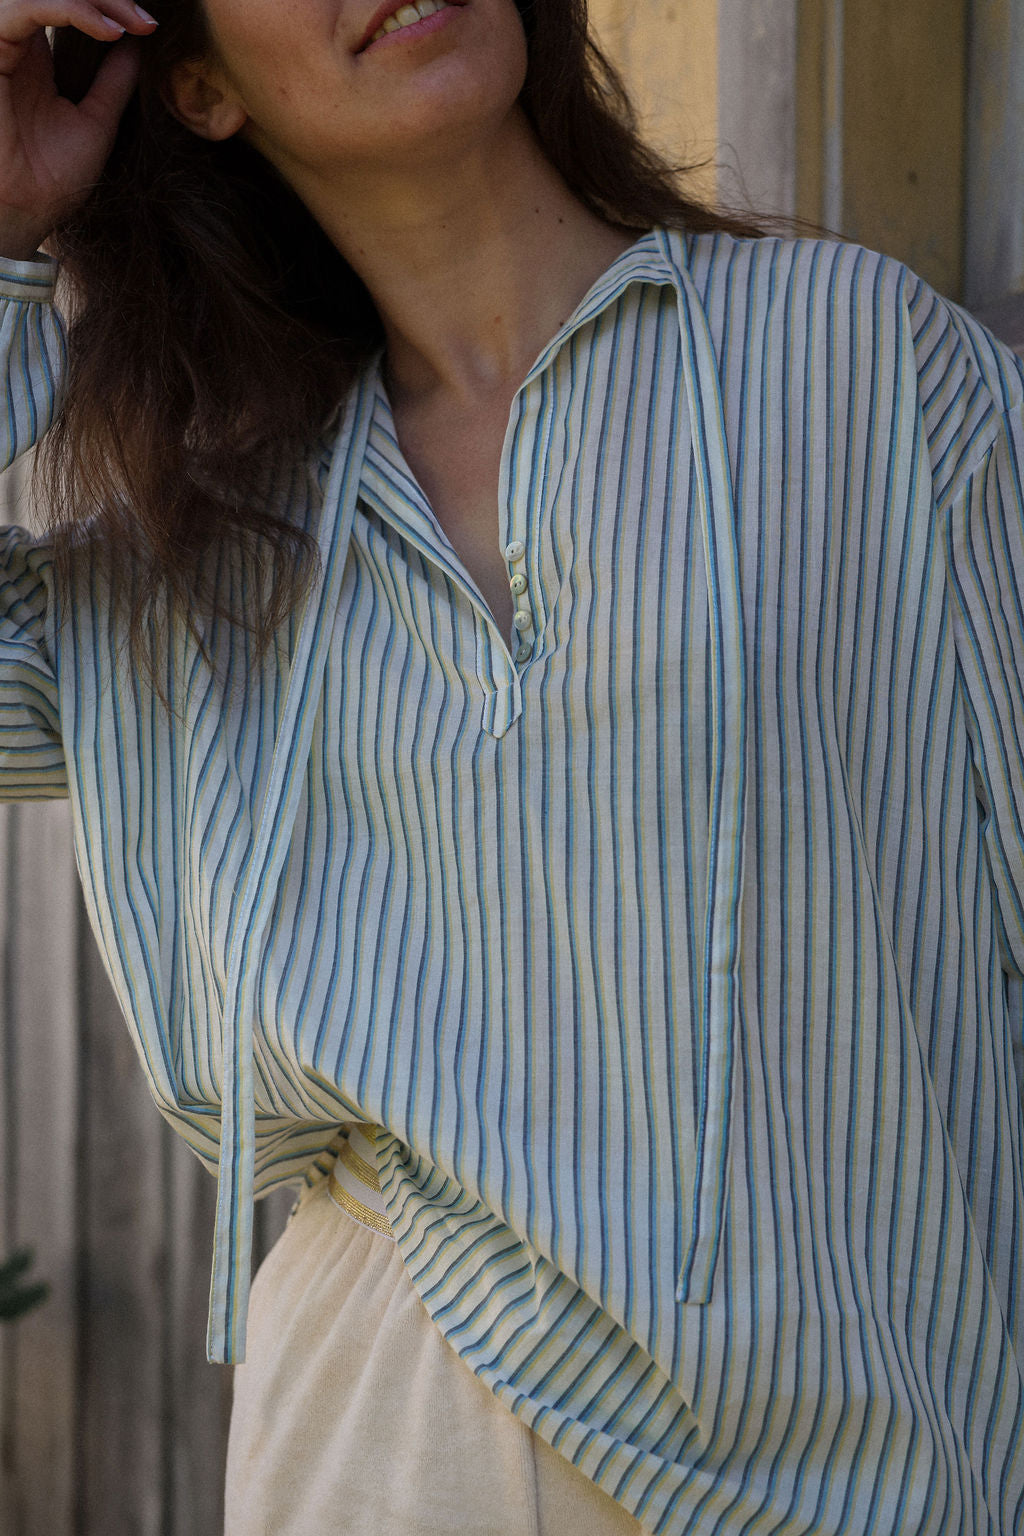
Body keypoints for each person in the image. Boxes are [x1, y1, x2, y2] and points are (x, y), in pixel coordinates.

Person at [1, 1, 1022, 1532]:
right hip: (394, 1431)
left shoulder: (861, 357)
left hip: (878, 1450)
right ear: (197, 84)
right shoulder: (195, 562)